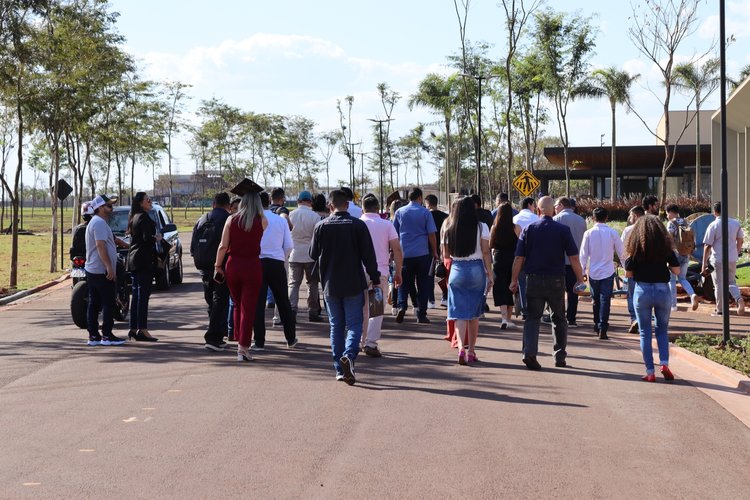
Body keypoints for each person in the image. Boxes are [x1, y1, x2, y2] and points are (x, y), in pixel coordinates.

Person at [309, 190, 380, 385]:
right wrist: (375, 277)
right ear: (347, 205)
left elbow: (312, 254)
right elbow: (368, 255)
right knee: (355, 324)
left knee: (336, 326)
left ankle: (339, 369)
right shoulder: (358, 225)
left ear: (330, 206)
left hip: (331, 284)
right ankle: (349, 356)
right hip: (353, 283)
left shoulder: (321, 226)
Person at [510, 196, 584, 370]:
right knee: (559, 318)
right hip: (556, 280)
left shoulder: (528, 229)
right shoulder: (563, 230)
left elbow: (519, 257)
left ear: (538, 210)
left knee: (532, 318)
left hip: (533, 279)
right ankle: (559, 356)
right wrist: (580, 278)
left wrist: (514, 280)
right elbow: (573, 257)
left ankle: (529, 353)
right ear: (552, 210)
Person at [214, 179, 267, 362]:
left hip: (233, 265)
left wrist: (217, 266)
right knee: (248, 308)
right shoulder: (262, 220)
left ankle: (238, 340)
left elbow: (222, 246)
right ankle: (243, 348)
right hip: (252, 266)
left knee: (237, 305)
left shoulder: (231, 219)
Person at [624, 215, 680, 382]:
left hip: (642, 291)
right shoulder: (665, 248)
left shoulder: (636, 249)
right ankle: (664, 363)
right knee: (662, 330)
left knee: (645, 332)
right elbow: (676, 271)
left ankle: (650, 371)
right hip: (663, 290)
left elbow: (628, 274)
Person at [443, 197, 493, 364]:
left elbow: (446, 255)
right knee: (474, 314)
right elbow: (486, 252)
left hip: (457, 269)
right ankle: (471, 350)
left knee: (459, 314)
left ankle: (460, 349)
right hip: (476, 269)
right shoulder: (482, 227)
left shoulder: (449, 227)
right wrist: (490, 274)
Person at [360, 194, 403, 357]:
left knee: (361, 308)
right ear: (378, 208)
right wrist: (398, 272)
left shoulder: (358, 223)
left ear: (363, 208)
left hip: (359, 272)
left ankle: (359, 340)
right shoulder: (387, 225)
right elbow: (397, 249)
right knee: (376, 309)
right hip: (380, 273)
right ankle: (370, 343)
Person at [253, 192, 297, 349]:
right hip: (277, 262)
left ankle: (259, 341)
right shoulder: (280, 220)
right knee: (283, 301)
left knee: (258, 303)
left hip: (257, 262)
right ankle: (290, 337)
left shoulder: (253, 220)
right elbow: (289, 245)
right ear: (269, 201)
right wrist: (281, 257)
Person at [191, 192, 232, 351]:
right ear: (228, 205)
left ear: (213, 204)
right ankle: (214, 337)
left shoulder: (201, 220)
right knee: (220, 301)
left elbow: (193, 247)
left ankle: (217, 334)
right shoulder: (227, 219)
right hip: (220, 266)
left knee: (211, 301)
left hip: (203, 266)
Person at [84, 195, 126, 346]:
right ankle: (107, 336)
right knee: (108, 303)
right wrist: (109, 267)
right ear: (100, 208)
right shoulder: (99, 223)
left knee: (94, 303)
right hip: (101, 270)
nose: (111, 208)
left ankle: (94, 336)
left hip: (93, 269)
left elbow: (111, 240)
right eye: (108, 205)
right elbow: (100, 245)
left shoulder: (98, 222)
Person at [393, 187, 438, 324]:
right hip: (422, 253)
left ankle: (402, 306)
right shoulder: (425, 213)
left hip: (404, 253)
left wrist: (392, 252)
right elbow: (431, 234)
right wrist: (435, 251)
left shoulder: (399, 212)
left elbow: (394, 234)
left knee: (403, 281)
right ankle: (421, 314)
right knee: (423, 284)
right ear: (419, 198)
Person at [578, 207, 624, 340]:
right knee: (605, 300)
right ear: (607, 218)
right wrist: (626, 267)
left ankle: (596, 324)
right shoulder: (612, 233)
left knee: (596, 300)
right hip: (608, 271)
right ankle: (603, 327)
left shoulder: (588, 233)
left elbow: (583, 254)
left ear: (593, 218)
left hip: (593, 272)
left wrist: (581, 271)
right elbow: (621, 253)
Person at [126, 192, 161, 342]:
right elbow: (147, 238)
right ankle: (143, 329)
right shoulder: (144, 217)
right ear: (141, 203)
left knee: (136, 296)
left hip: (134, 260)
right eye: (148, 199)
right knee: (143, 296)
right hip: (143, 261)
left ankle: (133, 328)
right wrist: (156, 238)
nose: (150, 201)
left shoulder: (134, 216)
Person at [702, 201, 745, 316]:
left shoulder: (713, 225)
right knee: (731, 282)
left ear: (714, 211)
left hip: (718, 258)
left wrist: (703, 264)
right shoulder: (735, 223)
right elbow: (740, 240)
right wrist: (736, 252)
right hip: (731, 258)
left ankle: (720, 310)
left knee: (718, 285)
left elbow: (707, 246)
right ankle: (739, 299)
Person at [288, 190, 323, 322]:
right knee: (312, 284)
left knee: (293, 284)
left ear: (298, 201)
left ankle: (292, 310)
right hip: (310, 254)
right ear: (310, 202)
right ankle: (313, 312)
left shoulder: (291, 215)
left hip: (294, 253)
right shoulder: (315, 217)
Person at [553, 197, 587, 327]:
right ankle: (571, 318)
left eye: (556, 205)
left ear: (561, 205)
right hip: (575, 262)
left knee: (558, 292)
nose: (555, 208)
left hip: (559, 262)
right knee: (574, 292)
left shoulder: (556, 220)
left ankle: (559, 317)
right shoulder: (581, 220)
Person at [666, 204, 700, 311]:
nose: (667, 216)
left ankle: (673, 305)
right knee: (682, 278)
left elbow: (670, 239)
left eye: (667, 213)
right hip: (685, 253)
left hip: (675, 254)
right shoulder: (685, 222)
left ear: (671, 212)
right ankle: (692, 294)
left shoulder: (671, 223)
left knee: (671, 280)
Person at [490, 202, 519, 329]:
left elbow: (490, 245)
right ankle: (509, 318)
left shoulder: (494, 228)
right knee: (511, 286)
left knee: (500, 287)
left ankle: (503, 318)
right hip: (513, 260)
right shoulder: (516, 228)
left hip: (499, 259)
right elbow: (521, 245)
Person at [512, 197, 539, 319]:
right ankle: (534, 307)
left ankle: (524, 309)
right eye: (534, 205)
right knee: (534, 282)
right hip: (534, 255)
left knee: (522, 282)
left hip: (519, 254)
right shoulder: (536, 218)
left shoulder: (515, 218)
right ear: (530, 205)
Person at [621, 205, 645, 333]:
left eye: (630, 216)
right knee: (644, 293)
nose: (629, 218)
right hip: (647, 267)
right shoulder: (650, 229)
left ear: (635, 216)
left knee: (632, 294)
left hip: (632, 266)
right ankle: (643, 319)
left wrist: (624, 265)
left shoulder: (628, 230)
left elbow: (622, 250)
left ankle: (634, 318)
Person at [424, 194, 448, 307]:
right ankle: (445, 297)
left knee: (429, 276)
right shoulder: (445, 216)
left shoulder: (426, 215)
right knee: (443, 274)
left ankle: (431, 300)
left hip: (428, 248)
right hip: (444, 248)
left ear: (427, 203)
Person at [226, 197, 241, 341]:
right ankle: (231, 331)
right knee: (233, 301)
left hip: (234, 264)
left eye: (239, 208)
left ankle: (234, 331)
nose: (237, 211)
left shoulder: (243, 222)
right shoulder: (229, 222)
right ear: (230, 208)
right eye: (234, 208)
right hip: (230, 264)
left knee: (234, 301)